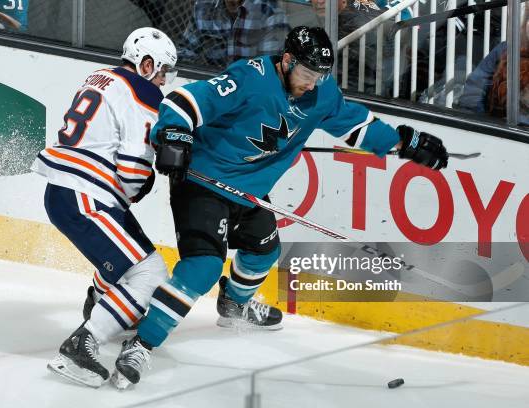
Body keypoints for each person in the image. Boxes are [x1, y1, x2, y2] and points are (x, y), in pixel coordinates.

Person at [111, 25, 449, 389]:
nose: (311, 84)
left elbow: (357, 128)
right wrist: (174, 135)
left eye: (319, 77)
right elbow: (183, 102)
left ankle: (234, 304)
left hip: (250, 191)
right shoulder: (250, 78)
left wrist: (403, 143)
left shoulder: (321, 94)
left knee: (264, 252)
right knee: (203, 267)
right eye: (305, 74)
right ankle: (142, 344)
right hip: (203, 182)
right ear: (286, 61)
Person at [31, 27, 178, 388]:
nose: (163, 79)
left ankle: (101, 302)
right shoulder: (144, 90)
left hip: (69, 189)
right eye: (161, 70)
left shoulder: (100, 76)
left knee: (135, 252)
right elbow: (132, 170)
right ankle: (83, 342)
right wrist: (146, 181)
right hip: (85, 195)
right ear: (145, 64)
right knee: (150, 274)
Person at [178, 0, 290, 68]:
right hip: (212, 84)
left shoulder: (270, 12)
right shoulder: (204, 6)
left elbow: (268, 69)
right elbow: (186, 53)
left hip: (249, 87)